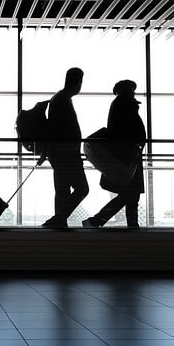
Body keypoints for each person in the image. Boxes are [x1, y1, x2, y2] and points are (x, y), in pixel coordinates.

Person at [83, 79, 146, 228]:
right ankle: (98, 221)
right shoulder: (125, 104)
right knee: (131, 194)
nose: (133, 92)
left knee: (131, 194)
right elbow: (127, 131)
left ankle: (126, 224)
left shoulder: (120, 104)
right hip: (127, 156)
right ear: (124, 90)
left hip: (127, 155)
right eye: (131, 89)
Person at [42, 67, 89, 229]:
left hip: (60, 153)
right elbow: (56, 129)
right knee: (82, 188)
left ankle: (59, 221)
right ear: (77, 82)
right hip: (66, 153)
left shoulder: (60, 99)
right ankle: (58, 219)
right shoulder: (62, 100)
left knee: (62, 190)